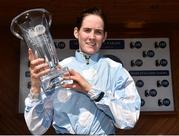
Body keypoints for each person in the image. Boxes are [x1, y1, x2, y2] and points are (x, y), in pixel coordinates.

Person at [24, 7, 141, 135]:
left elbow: (129, 119)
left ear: (104, 36)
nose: (92, 37)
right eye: (87, 30)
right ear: (76, 32)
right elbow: (36, 128)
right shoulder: (58, 70)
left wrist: (90, 90)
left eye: (98, 32)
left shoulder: (116, 70)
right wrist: (35, 86)